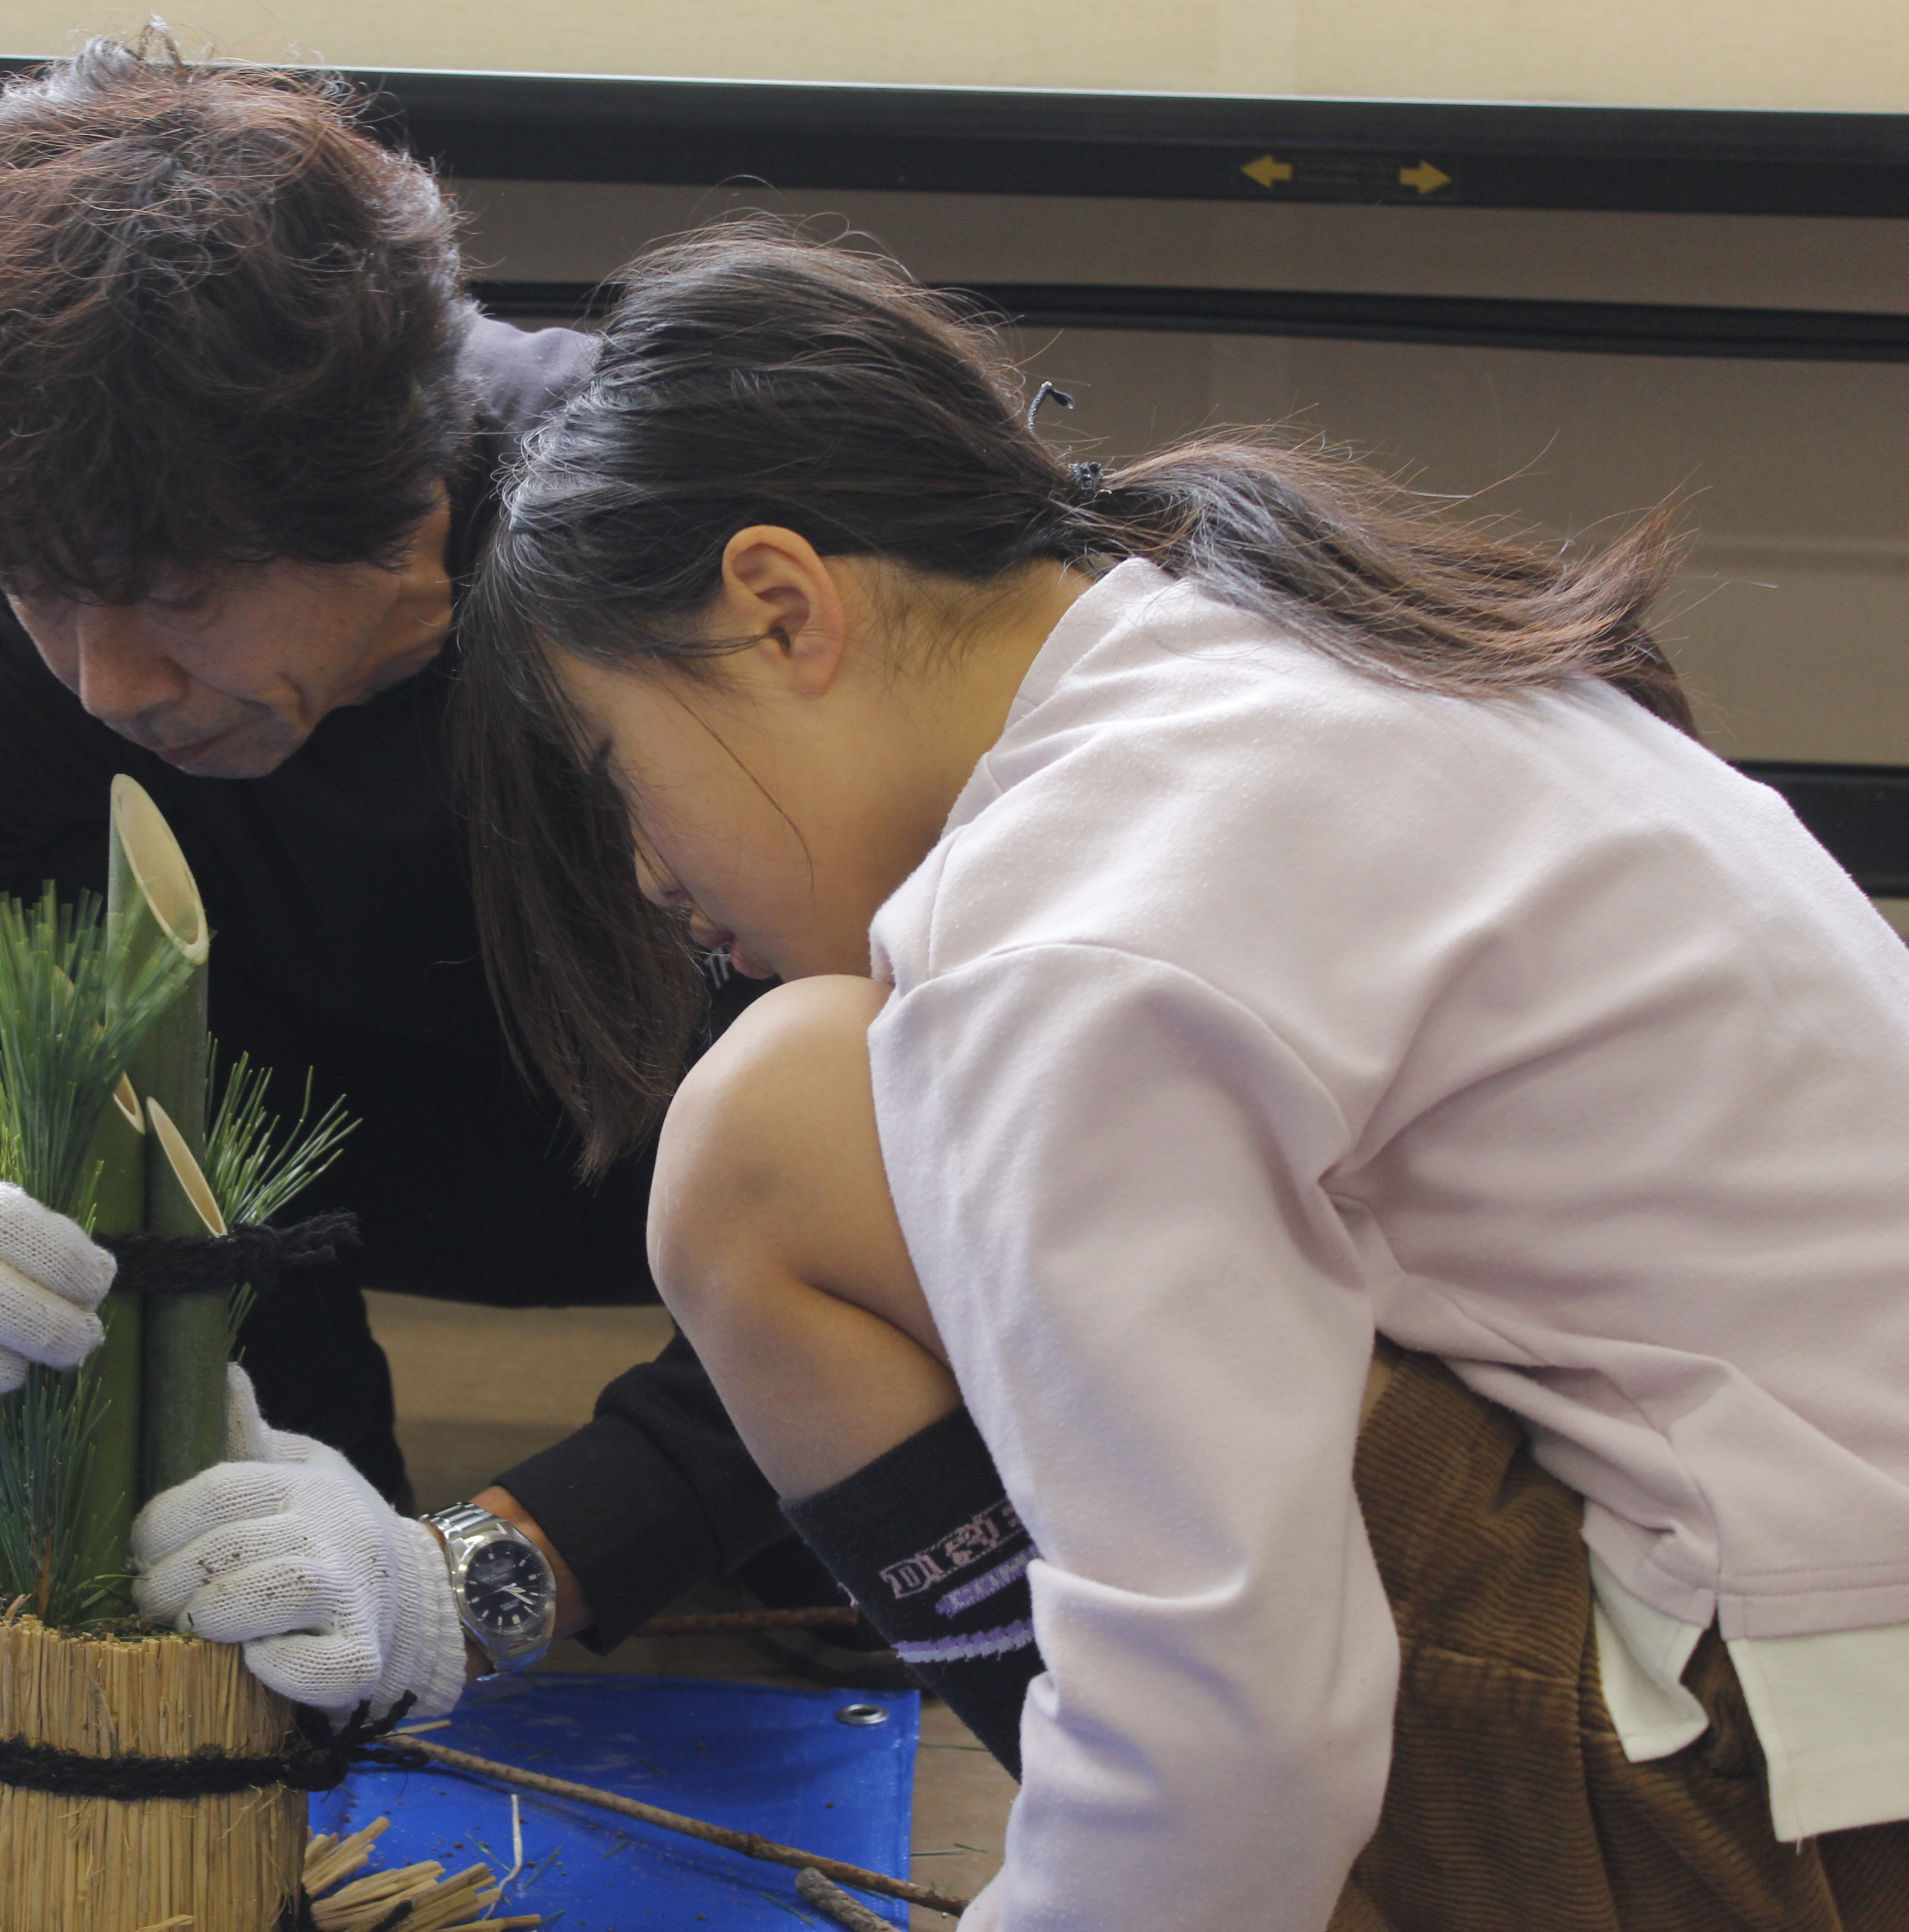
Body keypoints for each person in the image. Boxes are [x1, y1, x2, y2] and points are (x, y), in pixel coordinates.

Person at [436, 228, 1909, 1928]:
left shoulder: (1069, 932)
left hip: (1779, 1808)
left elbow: (1238, 1731)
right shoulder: (1250, 647)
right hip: (1826, 1707)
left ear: (781, 610)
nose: (647, 878)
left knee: (772, 1143)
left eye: (619, 779)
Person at [0, 38, 863, 1715]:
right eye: (36, 588)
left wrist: (514, 1559)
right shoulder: (8, 648)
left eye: (174, 597)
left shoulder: (669, 545)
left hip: (736, 1203)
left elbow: (964, 1164)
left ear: (398, 509)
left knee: (847, 1534)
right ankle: (272, 1496)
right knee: (262, 1651)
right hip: (269, 1248)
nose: (104, 680)